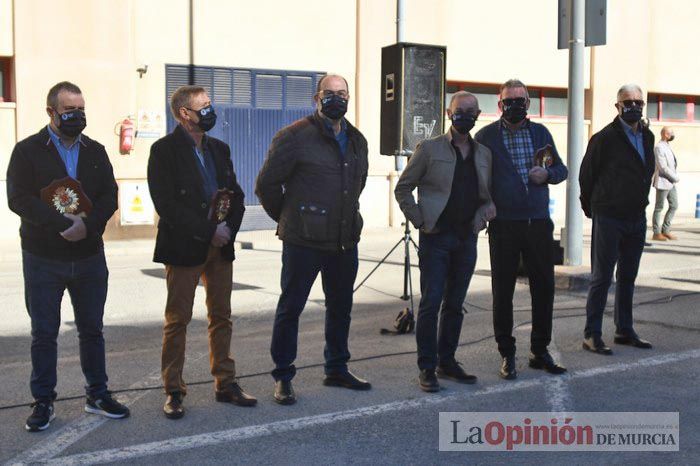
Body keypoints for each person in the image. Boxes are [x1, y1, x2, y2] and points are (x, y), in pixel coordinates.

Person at [6, 81, 129, 432]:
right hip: (44, 256)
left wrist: (87, 226)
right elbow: (18, 198)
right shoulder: (28, 151)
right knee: (44, 333)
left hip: (89, 256)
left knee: (92, 330)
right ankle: (43, 401)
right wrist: (60, 223)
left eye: (81, 109)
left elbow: (109, 195)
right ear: (51, 113)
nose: (77, 116)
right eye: (69, 111)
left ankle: (97, 393)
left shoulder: (95, 150)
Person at [255, 74, 370, 405]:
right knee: (291, 308)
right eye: (329, 93)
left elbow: (357, 184)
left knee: (341, 307)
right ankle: (283, 376)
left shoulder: (358, 140)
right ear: (316, 98)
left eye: (343, 93)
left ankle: (336, 367)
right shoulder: (293, 136)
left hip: (343, 240)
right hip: (303, 242)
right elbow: (266, 186)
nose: (337, 98)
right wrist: (292, 219)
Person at [148, 85, 254, 420]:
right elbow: (166, 205)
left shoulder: (219, 149)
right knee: (177, 320)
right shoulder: (163, 151)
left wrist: (227, 233)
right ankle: (174, 391)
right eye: (203, 106)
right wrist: (211, 230)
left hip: (219, 248)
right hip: (184, 246)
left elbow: (235, 195)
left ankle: (225, 382)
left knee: (221, 316)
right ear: (183, 113)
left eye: (210, 105)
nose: (210, 111)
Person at [394, 91, 495, 392]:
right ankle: (427, 367)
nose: (465, 115)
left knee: (455, 304)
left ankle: (447, 361)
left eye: (470, 111)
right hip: (436, 239)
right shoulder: (429, 149)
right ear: (449, 114)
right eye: (459, 110)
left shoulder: (484, 154)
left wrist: (483, 216)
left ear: (478, 116)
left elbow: (485, 195)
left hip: (467, 239)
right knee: (431, 303)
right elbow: (403, 189)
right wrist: (421, 219)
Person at [475, 79, 568, 380]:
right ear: (499, 105)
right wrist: (485, 203)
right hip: (503, 226)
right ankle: (507, 354)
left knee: (544, 289)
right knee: (503, 292)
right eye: (509, 101)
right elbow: (475, 178)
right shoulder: (486, 136)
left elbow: (562, 169)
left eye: (520, 100)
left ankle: (539, 351)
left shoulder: (541, 132)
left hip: (538, 224)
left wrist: (548, 173)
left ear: (528, 104)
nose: (515, 106)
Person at [579, 84, 655, 354]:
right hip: (609, 217)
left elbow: (646, 171)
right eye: (628, 102)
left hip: (636, 217)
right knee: (602, 277)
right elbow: (586, 176)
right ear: (617, 106)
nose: (633, 107)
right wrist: (593, 209)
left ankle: (624, 329)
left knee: (628, 276)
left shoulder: (648, 136)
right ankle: (592, 334)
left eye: (638, 102)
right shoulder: (604, 139)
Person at [651, 126, 680, 241]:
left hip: (671, 182)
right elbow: (662, 167)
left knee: (674, 205)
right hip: (663, 181)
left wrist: (673, 178)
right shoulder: (659, 147)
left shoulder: (667, 146)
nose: (672, 135)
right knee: (659, 207)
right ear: (664, 134)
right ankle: (656, 233)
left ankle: (666, 230)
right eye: (670, 133)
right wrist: (675, 177)